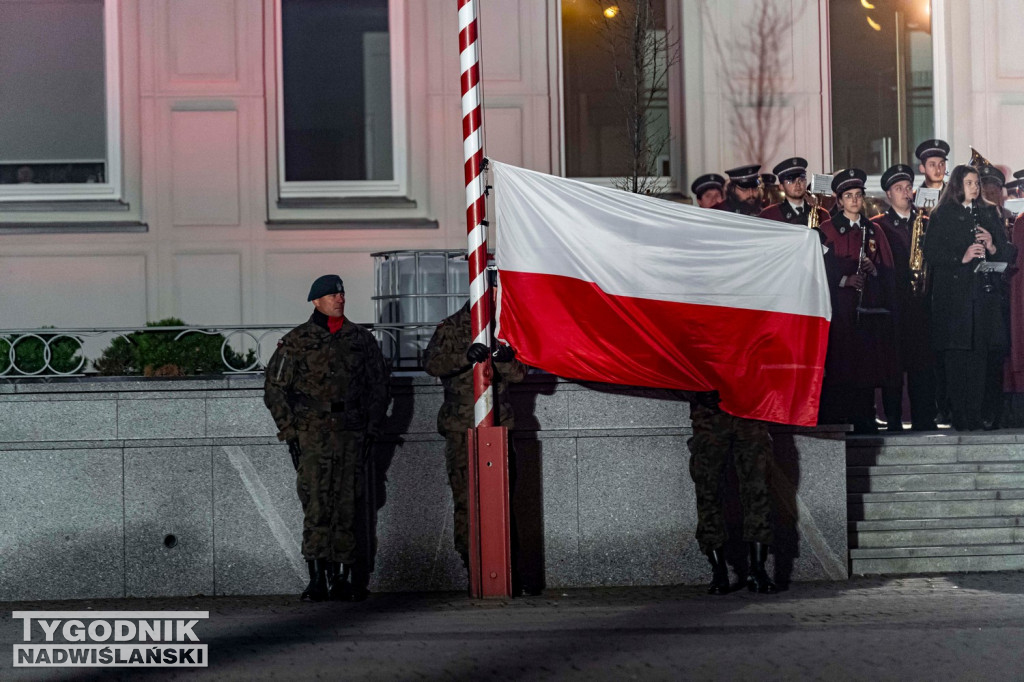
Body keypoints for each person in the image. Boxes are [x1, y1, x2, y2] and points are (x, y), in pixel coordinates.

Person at [264, 274, 391, 602]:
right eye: (332, 294)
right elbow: (275, 389)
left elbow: (379, 387)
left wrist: (372, 428)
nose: (340, 298)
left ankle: (345, 579)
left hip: (351, 432)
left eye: (342, 293)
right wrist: (290, 431)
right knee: (317, 504)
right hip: (313, 433)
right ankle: (318, 578)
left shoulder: (360, 339)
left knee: (349, 505)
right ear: (316, 301)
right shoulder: (297, 341)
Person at [424, 302, 528, 581]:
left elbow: (519, 373)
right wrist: (464, 357)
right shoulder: (451, 326)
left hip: (499, 423)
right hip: (461, 426)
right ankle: (473, 565)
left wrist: (502, 358)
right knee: (467, 499)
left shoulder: (504, 322)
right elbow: (432, 364)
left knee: (503, 498)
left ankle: (509, 568)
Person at [923, 165, 1014, 431]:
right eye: (970, 183)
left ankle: (975, 415)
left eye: (976, 183)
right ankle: (959, 415)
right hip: (953, 301)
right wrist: (960, 258)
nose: (975, 187)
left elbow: (1007, 252)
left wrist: (992, 245)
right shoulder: (942, 214)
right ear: (957, 186)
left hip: (982, 298)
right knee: (956, 360)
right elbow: (931, 252)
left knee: (980, 359)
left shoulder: (988, 211)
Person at [817, 169, 900, 433]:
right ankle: (840, 417)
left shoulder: (873, 230)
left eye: (858, 195)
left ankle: (866, 416)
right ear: (839, 201)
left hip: (868, 311)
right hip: (839, 311)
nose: (854, 200)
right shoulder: (827, 230)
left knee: (866, 366)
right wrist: (845, 279)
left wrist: (873, 272)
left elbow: (888, 269)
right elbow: (819, 270)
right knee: (841, 364)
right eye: (848, 196)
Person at [685, 390, 776, 595]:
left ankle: (758, 570)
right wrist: (695, 392)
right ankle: (719, 571)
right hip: (710, 411)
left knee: (758, 490)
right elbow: (681, 362)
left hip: (750, 408)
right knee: (708, 490)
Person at [872, 164, 938, 431]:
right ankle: (894, 420)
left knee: (923, 365)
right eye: (898, 189)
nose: (905, 193)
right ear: (888, 195)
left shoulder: (926, 222)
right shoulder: (878, 225)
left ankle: (925, 418)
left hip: (922, 305)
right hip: (894, 305)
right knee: (893, 366)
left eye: (907, 187)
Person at [758, 157, 830, 228]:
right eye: (791, 181)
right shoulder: (769, 216)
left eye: (801, 179)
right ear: (781, 186)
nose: (797, 184)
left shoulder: (822, 215)